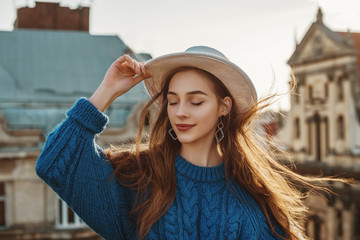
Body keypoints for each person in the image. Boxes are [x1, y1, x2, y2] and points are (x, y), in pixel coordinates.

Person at [35, 46, 337, 240]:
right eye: (172, 100)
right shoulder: (138, 182)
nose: (180, 112)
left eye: (195, 101)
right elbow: (55, 164)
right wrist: (107, 90)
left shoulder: (253, 206)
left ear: (224, 107)